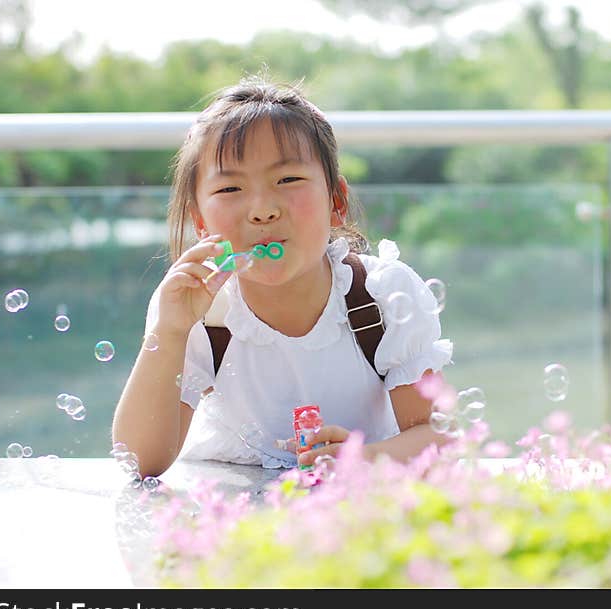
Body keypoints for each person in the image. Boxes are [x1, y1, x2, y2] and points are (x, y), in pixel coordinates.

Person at [113, 74, 453, 477]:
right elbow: (138, 462)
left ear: (336, 201)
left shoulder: (381, 297)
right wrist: (168, 333)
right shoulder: (197, 306)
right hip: (227, 507)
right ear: (201, 221)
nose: (262, 209)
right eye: (229, 189)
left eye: (288, 179)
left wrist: (363, 460)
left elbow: (437, 437)